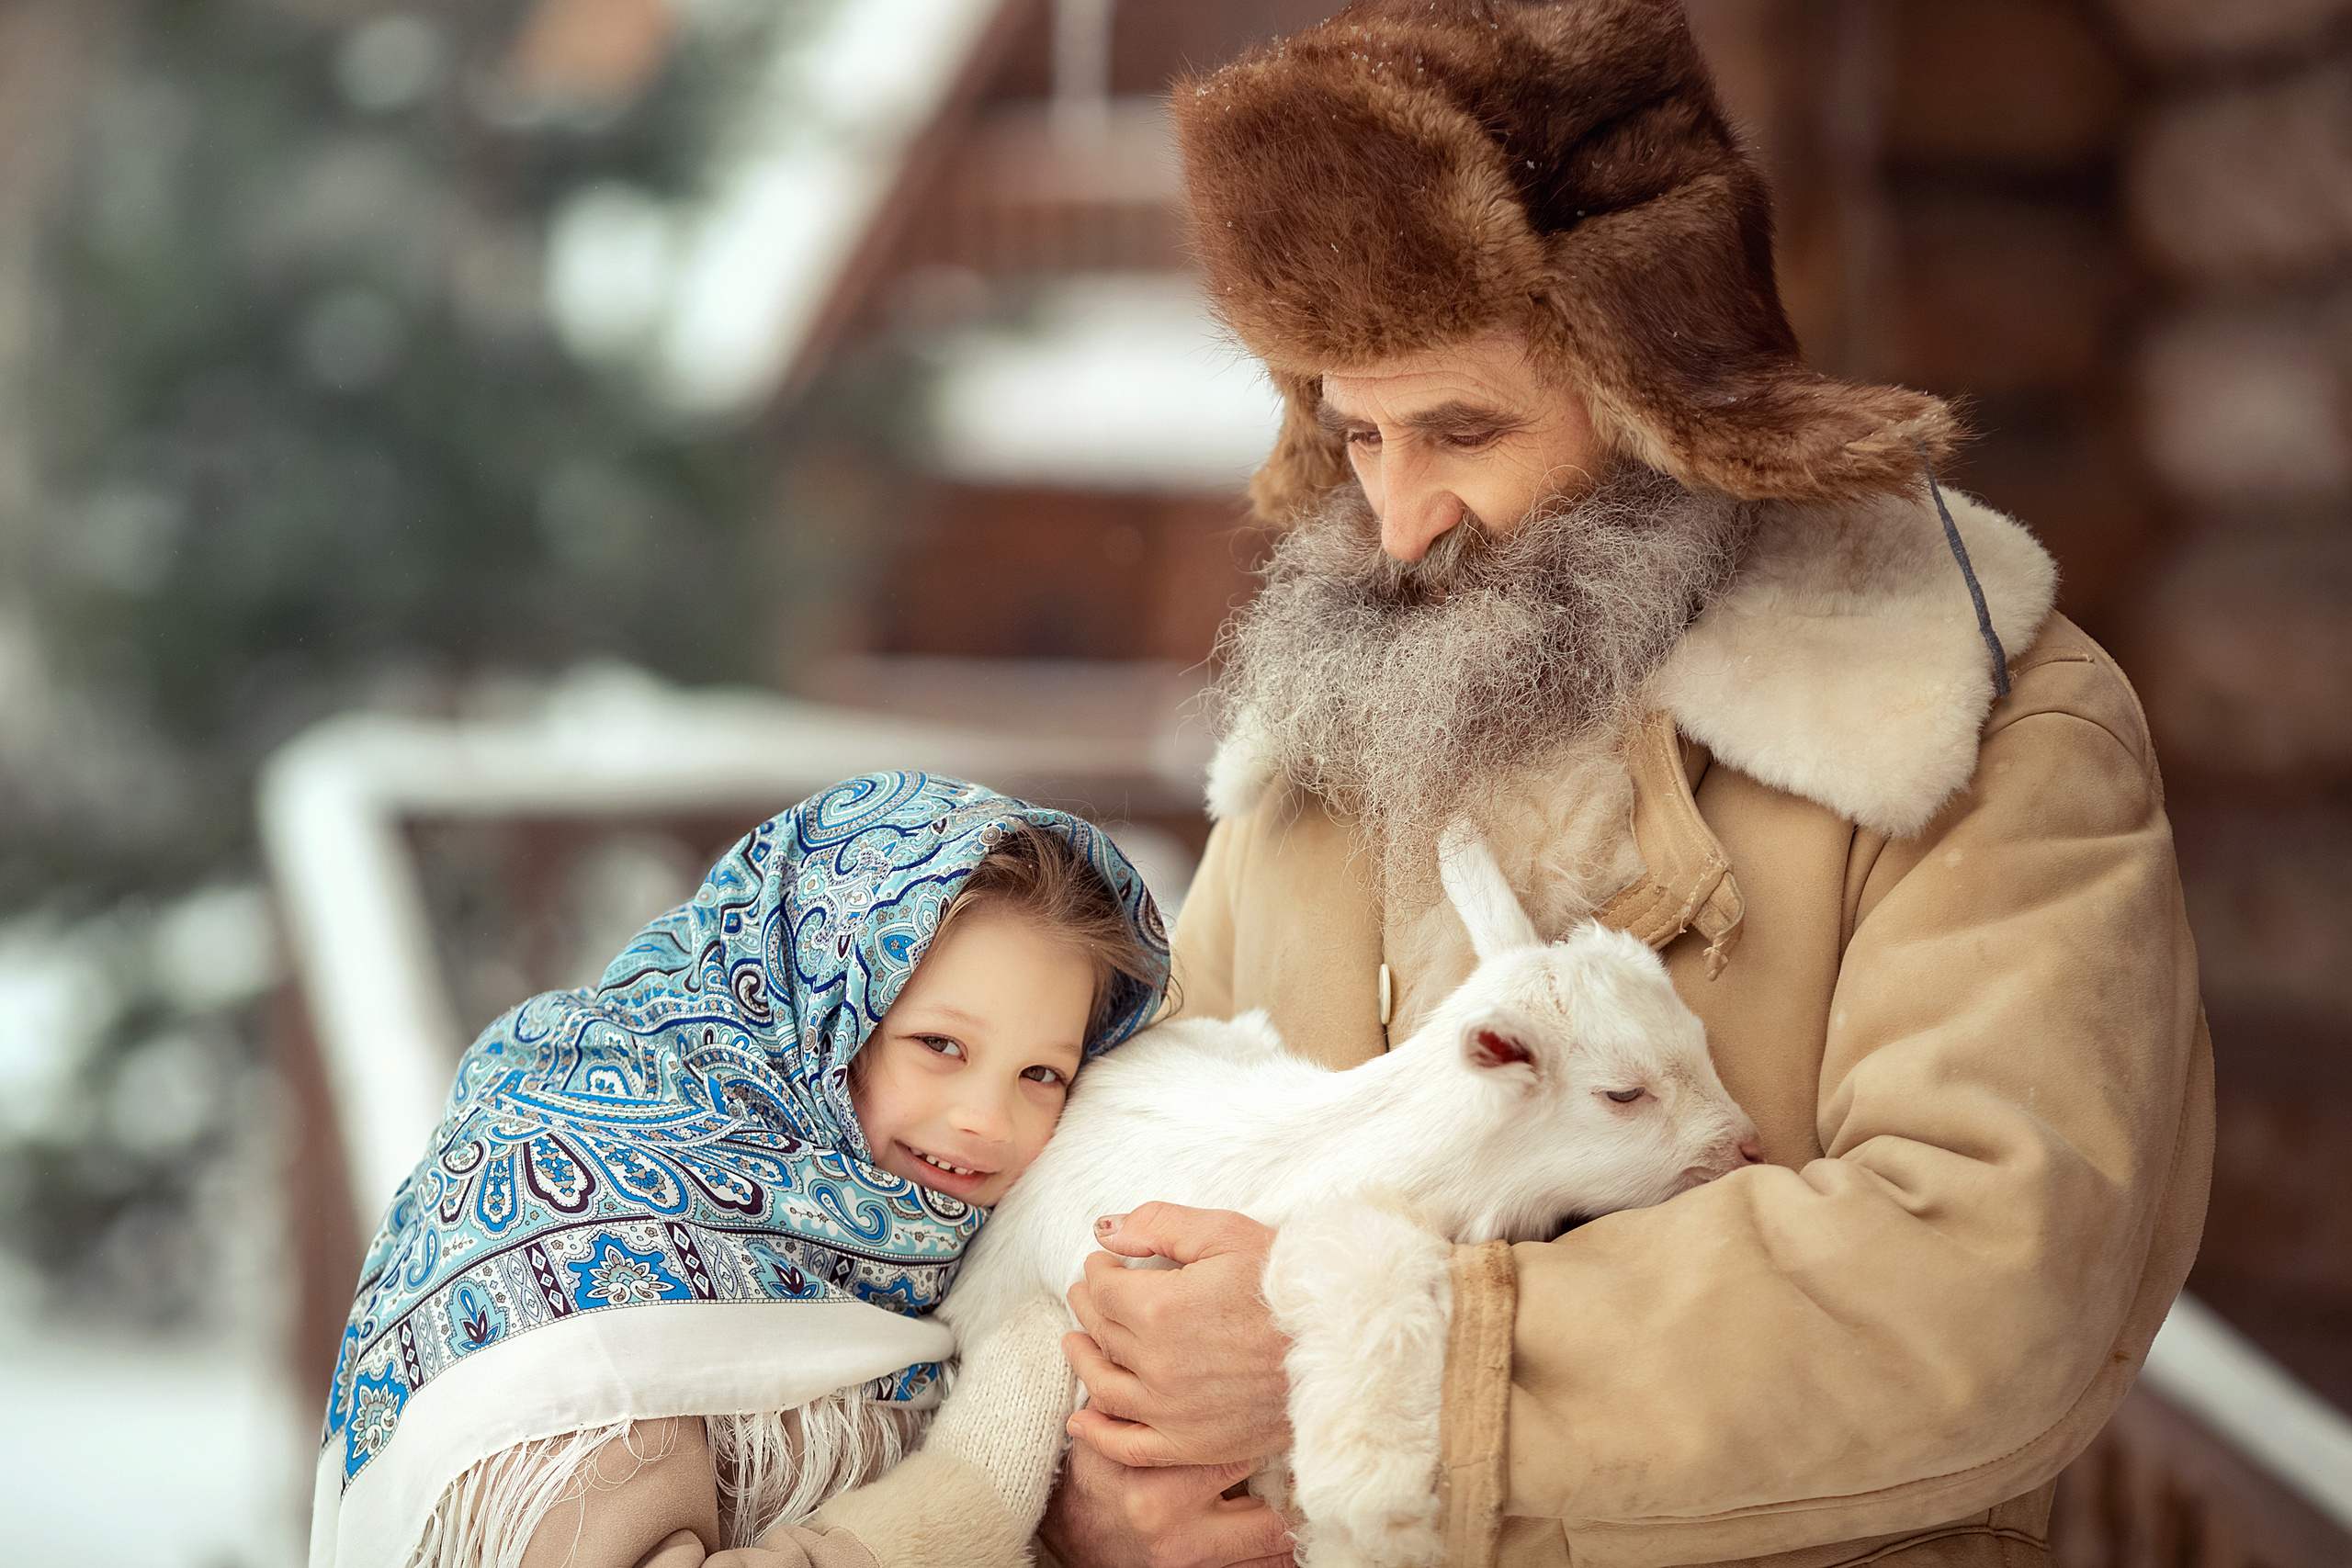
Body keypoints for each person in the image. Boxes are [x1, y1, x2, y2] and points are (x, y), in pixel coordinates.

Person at [1010, 6, 2206, 1568]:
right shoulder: (1333, 740)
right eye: (1356, 431)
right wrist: (1096, 1493)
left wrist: (1387, 1369)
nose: (1399, 522)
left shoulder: (1973, 723)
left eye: (1463, 427)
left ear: (1659, 389)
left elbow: (1991, 1277)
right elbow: (1141, 1195)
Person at [309, 773, 1169, 1568]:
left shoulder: (891, 1248)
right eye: (939, 1045)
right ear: (818, 1011)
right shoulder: (589, 1228)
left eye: (1041, 1075)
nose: (989, 1119)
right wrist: (965, 1498)